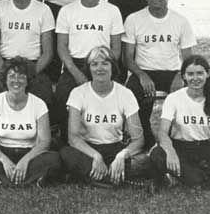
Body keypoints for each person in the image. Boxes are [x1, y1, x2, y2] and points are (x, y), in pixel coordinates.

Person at [60, 46, 153, 187]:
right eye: (94, 64)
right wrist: (96, 156)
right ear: (89, 69)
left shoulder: (125, 94)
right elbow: (73, 138)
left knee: (147, 161)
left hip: (115, 149)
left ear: (112, 67)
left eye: (105, 63)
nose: (100, 68)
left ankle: (95, 179)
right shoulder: (78, 93)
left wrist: (122, 156)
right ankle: (120, 181)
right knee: (66, 154)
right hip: (88, 149)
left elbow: (138, 140)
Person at [54, 0, 124, 143]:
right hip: (75, 65)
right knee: (62, 94)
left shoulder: (112, 11)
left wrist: (102, 69)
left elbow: (116, 48)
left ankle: (111, 139)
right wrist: (77, 74)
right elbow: (62, 47)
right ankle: (65, 141)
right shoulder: (67, 11)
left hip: (104, 64)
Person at [150, 55, 210, 190]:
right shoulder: (174, 98)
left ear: (208, 74)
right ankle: (209, 182)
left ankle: (182, 177)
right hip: (179, 147)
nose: (195, 78)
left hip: (204, 148)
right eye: (190, 74)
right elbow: (163, 133)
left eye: (200, 73)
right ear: (184, 76)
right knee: (158, 155)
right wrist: (171, 153)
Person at [123, 0, 196, 150]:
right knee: (131, 94)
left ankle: (182, 141)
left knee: (190, 93)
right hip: (144, 71)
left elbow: (188, 58)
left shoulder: (181, 21)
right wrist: (141, 75)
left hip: (172, 72)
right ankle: (143, 142)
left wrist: (180, 76)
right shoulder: (134, 19)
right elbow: (128, 58)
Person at [0, 57, 62, 187]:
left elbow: (45, 142)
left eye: (21, 77)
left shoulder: (38, 104)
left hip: (30, 154)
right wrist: (4, 161)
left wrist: (25, 161)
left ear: (28, 80)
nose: (16, 81)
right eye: (11, 76)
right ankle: (31, 181)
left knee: (54, 160)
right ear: (5, 80)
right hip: (2, 153)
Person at [0, 0, 55, 109]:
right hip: (5, 65)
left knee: (43, 89)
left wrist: (31, 74)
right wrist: (6, 73)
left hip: (32, 66)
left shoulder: (43, 10)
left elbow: (48, 52)